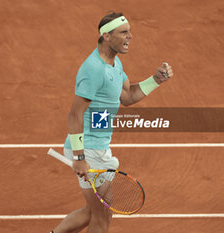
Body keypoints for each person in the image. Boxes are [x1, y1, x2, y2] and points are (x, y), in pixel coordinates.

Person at [50, 11, 173, 233]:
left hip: (97, 147)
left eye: (129, 32)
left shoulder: (114, 65)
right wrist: (79, 158)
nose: (130, 36)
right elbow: (75, 115)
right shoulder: (94, 69)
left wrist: (156, 80)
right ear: (106, 36)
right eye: (124, 32)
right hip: (88, 149)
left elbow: (127, 97)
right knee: (103, 217)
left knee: (93, 212)